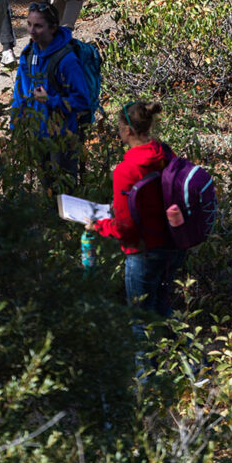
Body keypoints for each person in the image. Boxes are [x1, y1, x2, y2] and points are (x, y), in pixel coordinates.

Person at [85, 100, 186, 374]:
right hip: (172, 243)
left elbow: (125, 228)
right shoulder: (165, 153)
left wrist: (99, 226)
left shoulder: (125, 171)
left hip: (142, 251)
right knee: (162, 309)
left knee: (140, 320)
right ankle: (197, 366)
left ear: (127, 130)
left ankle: (146, 384)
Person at [10, 1, 92, 189]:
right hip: (37, 133)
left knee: (65, 190)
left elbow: (82, 101)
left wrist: (51, 100)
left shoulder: (67, 60)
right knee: (46, 187)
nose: (32, 31)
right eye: (29, 24)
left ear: (53, 27)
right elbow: (19, 93)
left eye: (38, 26)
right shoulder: (28, 54)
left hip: (63, 137)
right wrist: (15, 126)